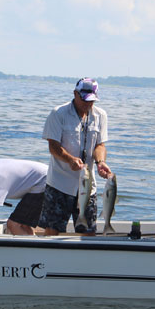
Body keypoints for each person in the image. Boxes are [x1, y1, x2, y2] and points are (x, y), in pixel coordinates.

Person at [38, 77, 113, 235]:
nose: (88, 104)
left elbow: (100, 145)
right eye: (84, 100)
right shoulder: (58, 113)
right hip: (60, 183)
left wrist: (100, 162)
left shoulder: (101, 115)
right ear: (75, 94)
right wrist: (70, 160)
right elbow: (53, 146)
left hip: (87, 185)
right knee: (52, 230)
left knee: (88, 232)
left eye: (92, 101)